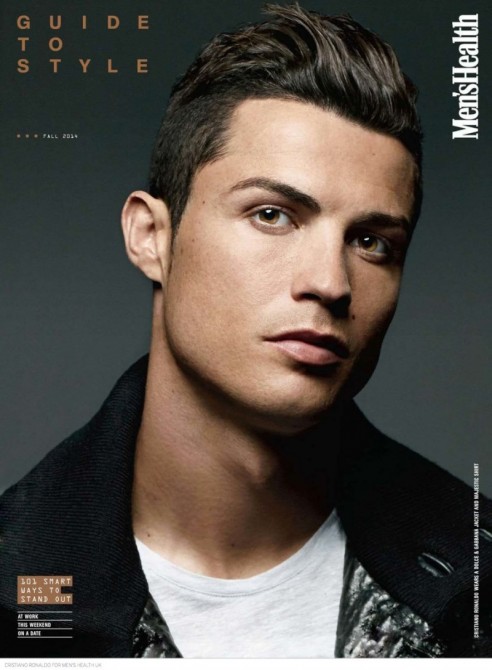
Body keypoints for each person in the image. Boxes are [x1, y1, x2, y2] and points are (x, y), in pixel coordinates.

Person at [1, 3, 491, 659]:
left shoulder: (477, 576)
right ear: (151, 237)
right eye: (272, 214)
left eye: (372, 242)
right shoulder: (19, 583)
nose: (331, 282)